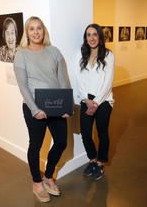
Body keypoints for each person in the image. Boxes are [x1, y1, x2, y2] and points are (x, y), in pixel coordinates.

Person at [13, 16, 71, 202]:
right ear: (27, 33)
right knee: (36, 145)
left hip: (56, 105)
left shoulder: (54, 51)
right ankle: (37, 182)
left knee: (61, 142)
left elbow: (63, 80)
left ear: (43, 30)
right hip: (34, 107)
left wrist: (66, 105)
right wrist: (35, 109)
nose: (36, 32)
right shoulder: (21, 54)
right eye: (32, 29)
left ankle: (48, 177)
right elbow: (23, 86)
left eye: (39, 28)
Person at [77, 23, 115, 180]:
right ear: (85, 38)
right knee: (85, 133)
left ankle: (100, 163)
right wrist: (86, 100)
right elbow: (80, 80)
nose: (91, 38)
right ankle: (92, 159)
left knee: (102, 133)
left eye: (94, 34)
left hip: (104, 101)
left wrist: (96, 103)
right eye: (88, 35)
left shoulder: (108, 55)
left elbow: (108, 83)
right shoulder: (82, 57)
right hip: (87, 100)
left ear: (100, 36)